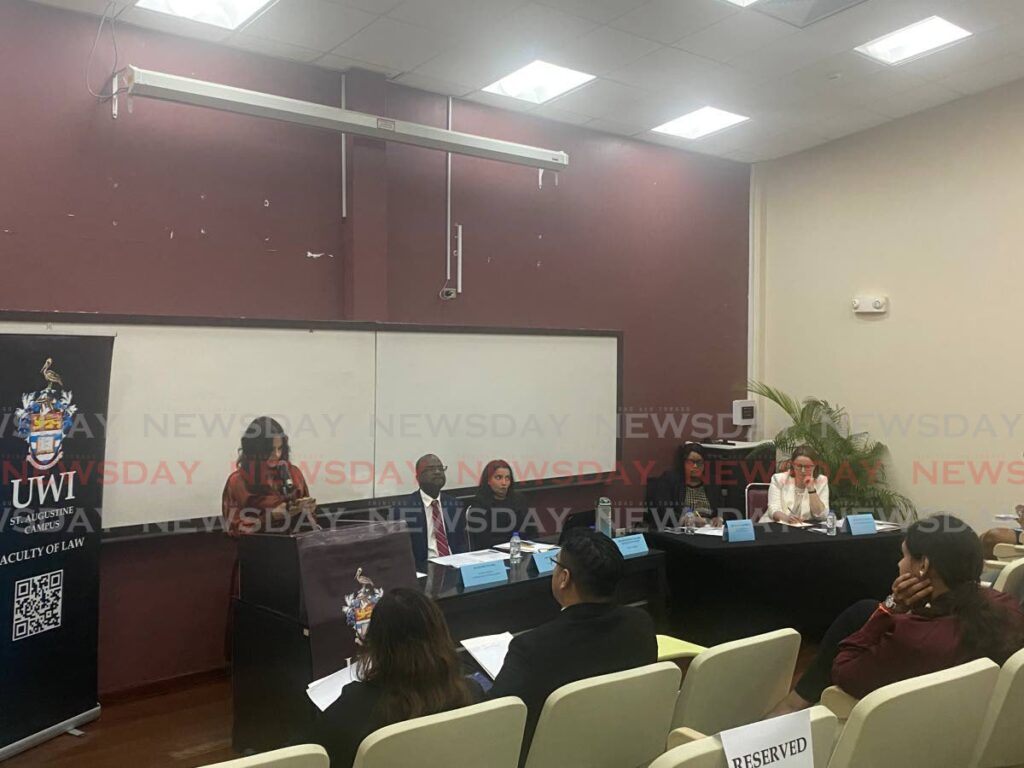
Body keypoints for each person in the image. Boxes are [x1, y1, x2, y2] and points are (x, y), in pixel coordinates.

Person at [768, 514, 1024, 715]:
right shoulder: (1008, 606)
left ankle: (793, 705)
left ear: (923, 566)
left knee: (866, 612)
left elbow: (843, 670)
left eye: (903, 556)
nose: (899, 564)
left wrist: (886, 610)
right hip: (971, 724)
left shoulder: (914, 638)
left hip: (908, 734)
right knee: (863, 610)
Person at [488, 527, 657, 761]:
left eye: (555, 564)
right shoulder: (641, 625)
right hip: (621, 753)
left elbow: (496, 720)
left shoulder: (532, 647)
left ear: (564, 578)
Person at [310, 588, 482, 767]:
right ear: (442, 636)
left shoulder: (356, 706)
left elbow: (298, 757)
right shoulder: (472, 695)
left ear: (377, 643)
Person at [221, 416, 317, 538]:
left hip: (296, 549)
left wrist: (307, 510)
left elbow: (310, 523)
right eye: (270, 450)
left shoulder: (293, 473)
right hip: (259, 552)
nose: (277, 455)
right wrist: (270, 517)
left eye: (280, 449)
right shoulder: (237, 481)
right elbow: (233, 530)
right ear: (254, 450)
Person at [393, 454, 468, 565]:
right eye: (431, 469)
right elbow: (400, 553)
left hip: (455, 565)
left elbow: (461, 543)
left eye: (440, 468)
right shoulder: (403, 509)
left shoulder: (454, 505)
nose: (438, 472)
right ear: (418, 477)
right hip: (424, 568)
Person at [644, 442, 726, 528]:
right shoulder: (670, 480)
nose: (695, 466)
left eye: (699, 462)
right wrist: (686, 520)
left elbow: (722, 509)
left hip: (708, 530)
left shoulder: (712, 483)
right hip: (680, 530)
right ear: (683, 463)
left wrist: (719, 518)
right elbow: (662, 511)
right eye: (691, 462)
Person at [466, 459, 538, 549]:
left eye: (507, 478)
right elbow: (482, 541)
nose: (504, 483)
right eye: (498, 478)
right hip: (493, 553)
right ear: (488, 480)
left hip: (522, 550)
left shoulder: (519, 499)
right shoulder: (479, 504)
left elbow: (532, 531)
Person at [765, 445, 828, 524]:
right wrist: (787, 518)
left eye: (807, 467)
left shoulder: (821, 480)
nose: (802, 470)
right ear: (792, 464)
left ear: (815, 466)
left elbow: (822, 515)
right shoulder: (778, 479)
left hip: (807, 527)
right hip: (779, 525)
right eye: (798, 466)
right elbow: (773, 509)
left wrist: (811, 490)